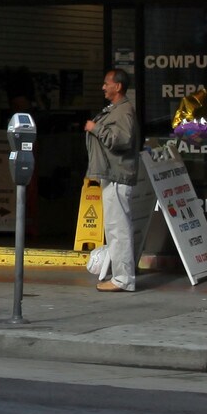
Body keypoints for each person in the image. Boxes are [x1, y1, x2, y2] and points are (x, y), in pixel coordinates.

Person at [84, 68, 142, 292]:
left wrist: (95, 128)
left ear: (117, 86)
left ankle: (123, 279)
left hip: (118, 175)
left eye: (107, 83)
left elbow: (123, 140)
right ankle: (121, 275)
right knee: (115, 228)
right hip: (112, 174)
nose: (103, 87)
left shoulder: (124, 111)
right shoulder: (117, 109)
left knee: (118, 230)